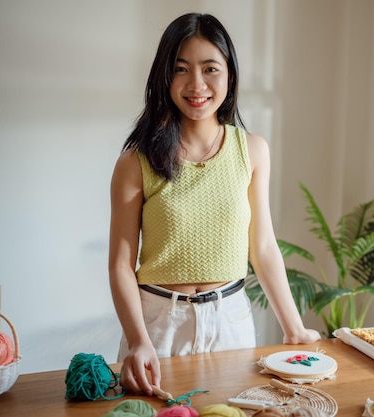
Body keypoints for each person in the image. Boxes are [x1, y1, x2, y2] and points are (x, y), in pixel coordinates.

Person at [108, 12, 320, 396]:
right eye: (181, 69)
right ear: (164, 77)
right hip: (158, 324)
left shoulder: (252, 150)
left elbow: (264, 246)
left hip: (231, 321)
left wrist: (294, 327)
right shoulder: (135, 162)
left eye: (210, 69)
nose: (197, 84)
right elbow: (121, 264)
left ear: (230, 76)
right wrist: (138, 340)